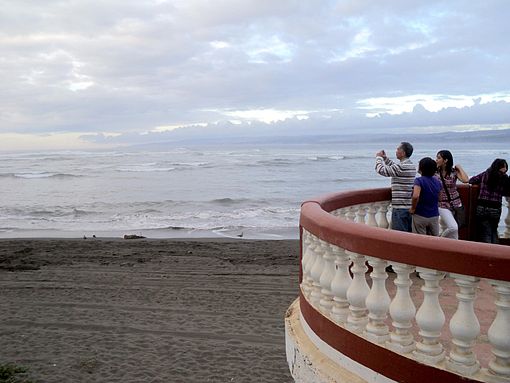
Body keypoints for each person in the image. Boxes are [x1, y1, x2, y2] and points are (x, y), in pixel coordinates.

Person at [375, 142, 416, 232]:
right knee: (408, 236)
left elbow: (381, 170)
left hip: (400, 209)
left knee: (400, 237)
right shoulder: (410, 165)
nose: (396, 151)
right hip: (408, 207)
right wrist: (385, 159)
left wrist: (378, 158)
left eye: (398, 149)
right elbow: (395, 168)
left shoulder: (400, 167)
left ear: (403, 153)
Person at [469, 158, 509, 243]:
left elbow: (472, 180)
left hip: (482, 206)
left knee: (485, 232)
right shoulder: (504, 178)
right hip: (495, 208)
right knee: (493, 230)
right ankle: (496, 251)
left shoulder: (485, 174)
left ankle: (489, 252)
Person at [435, 150, 469, 239]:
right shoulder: (435, 172)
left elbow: (465, 180)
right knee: (453, 227)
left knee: (454, 232)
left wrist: (460, 168)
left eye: (438, 158)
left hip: (456, 203)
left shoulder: (454, 172)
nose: (436, 160)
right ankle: (438, 240)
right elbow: (421, 171)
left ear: (445, 160)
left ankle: (453, 248)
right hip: (442, 204)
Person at [410, 157, 442, 236]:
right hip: (434, 215)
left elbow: (415, 196)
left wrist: (413, 208)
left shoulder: (419, 180)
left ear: (421, 168)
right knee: (434, 240)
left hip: (420, 214)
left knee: (420, 240)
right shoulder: (438, 181)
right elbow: (440, 198)